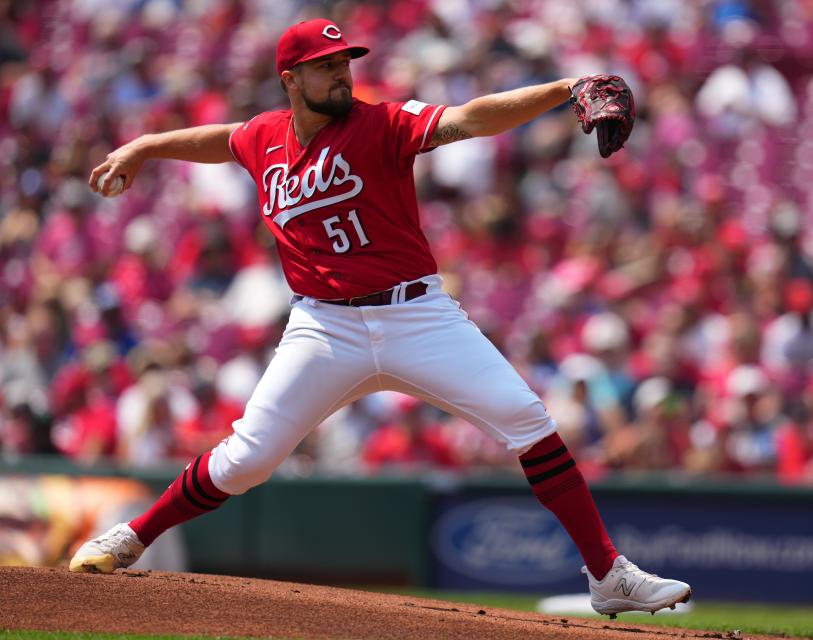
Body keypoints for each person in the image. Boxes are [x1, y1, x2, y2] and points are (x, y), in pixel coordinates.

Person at [68, 18, 691, 616]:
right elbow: (218, 140)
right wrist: (145, 145)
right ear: (291, 79)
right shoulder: (263, 136)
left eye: (345, 62)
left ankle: (609, 577)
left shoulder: (384, 123)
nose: (342, 74)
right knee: (246, 460)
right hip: (323, 328)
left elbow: (471, 118)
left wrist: (564, 89)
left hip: (416, 315)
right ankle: (131, 537)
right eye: (327, 66)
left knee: (526, 419)